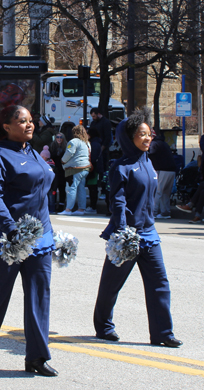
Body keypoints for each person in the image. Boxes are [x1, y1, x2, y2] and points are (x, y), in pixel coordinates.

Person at [0, 105, 57, 376]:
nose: (29, 125)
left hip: (36, 236)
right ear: (6, 126)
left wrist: (47, 232)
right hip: (1, 236)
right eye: (22, 121)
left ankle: (37, 358)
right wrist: (11, 229)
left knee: (40, 294)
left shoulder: (32, 152)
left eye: (31, 120)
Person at [93, 108, 182, 348]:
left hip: (149, 235)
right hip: (126, 236)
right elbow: (118, 201)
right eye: (141, 134)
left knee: (160, 283)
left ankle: (163, 333)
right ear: (128, 138)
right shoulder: (120, 167)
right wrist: (122, 231)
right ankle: (104, 326)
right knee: (111, 285)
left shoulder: (149, 164)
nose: (147, 138)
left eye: (149, 134)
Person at [58, 125, 91, 216]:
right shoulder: (86, 143)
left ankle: (68, 209)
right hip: (85, 168)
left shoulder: (73, 142)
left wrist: (63, 160)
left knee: (71, 188)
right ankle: (81, 209)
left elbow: (69, 153)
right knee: (81, 189)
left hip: (74, 169)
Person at [148, 133, 177, 219]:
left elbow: (149, 151)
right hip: (171, 170)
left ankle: (153, 212)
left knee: (158, 191)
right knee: (165, 193)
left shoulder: (155, 144)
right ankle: (165, 212)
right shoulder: (163, 143)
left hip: (163, 170)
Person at [85, 127, 104, 214]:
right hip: (95, 167)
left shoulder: (94, 144)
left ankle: (93, 207)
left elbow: (93, 157)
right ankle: (93, 206)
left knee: (93, 188)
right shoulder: (96, 142)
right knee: (93, 187)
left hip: (93, 168)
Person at [89, 108, 112, 173]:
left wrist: (102, 148)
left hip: (103, 148)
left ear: (98, 114)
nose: (93, 118)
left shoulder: (106, 122)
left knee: (104, 165)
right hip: (95, 147)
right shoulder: (93, 123)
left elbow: (108, 137)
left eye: (94, 116)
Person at [49, 132, 67, 212]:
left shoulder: (66, 146)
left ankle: (61, 205)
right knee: (54, 188)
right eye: (57, 137)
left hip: (62, 170)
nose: (59, 139)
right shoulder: (52, 146)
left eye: (61, 137)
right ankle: (53, 204)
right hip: (54, 170)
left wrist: (62, 153)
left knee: (62, 188)